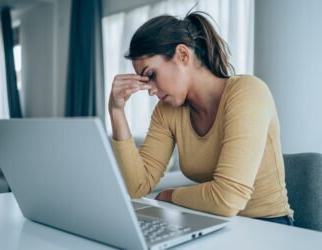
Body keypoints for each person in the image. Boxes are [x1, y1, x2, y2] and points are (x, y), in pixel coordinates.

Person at [108, 11, 294, 226]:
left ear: (183, 55)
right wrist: (116, 110)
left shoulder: (247, 92)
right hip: (212, 223)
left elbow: (228, 198)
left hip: (268, 226)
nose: (150, 90)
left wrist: (170, 195)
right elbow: (137, 187)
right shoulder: (166, 110)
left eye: (151, 75)